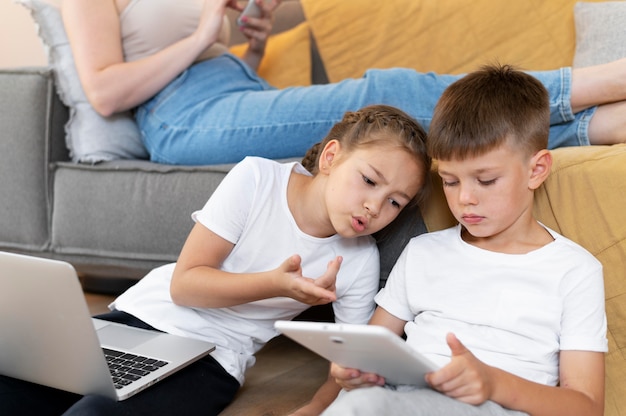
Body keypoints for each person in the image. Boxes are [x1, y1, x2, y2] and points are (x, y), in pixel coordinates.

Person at [0, 105, 431, 415]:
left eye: (395, 201)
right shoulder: (257, 178)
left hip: (211, 358)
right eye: (370, 181)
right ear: (332, 157)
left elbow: (354, 361)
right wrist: (274, 284)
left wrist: (314, 409)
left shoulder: (356, 259)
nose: (376, 207)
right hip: (135, 319)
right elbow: (185, 286)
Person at [319, 65, 608, 416]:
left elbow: (587, 407)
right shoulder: (423, 252)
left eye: (485, 180)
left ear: (536, 170)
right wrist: (353, 370)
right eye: (450, 181)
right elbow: (369, 351)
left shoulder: (574, 271)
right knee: (363, 400)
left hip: (497, 406)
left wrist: (492, 382)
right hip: (400, 398)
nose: (465, 199)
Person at [62, 0, 626, 166]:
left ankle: (601, 125)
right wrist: (201, 34)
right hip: (179, 115)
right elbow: (105, 90)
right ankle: (605, 79)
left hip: (230, 90)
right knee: (377, 101)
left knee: (387, 123)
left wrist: (250, 40)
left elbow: (223, 70)